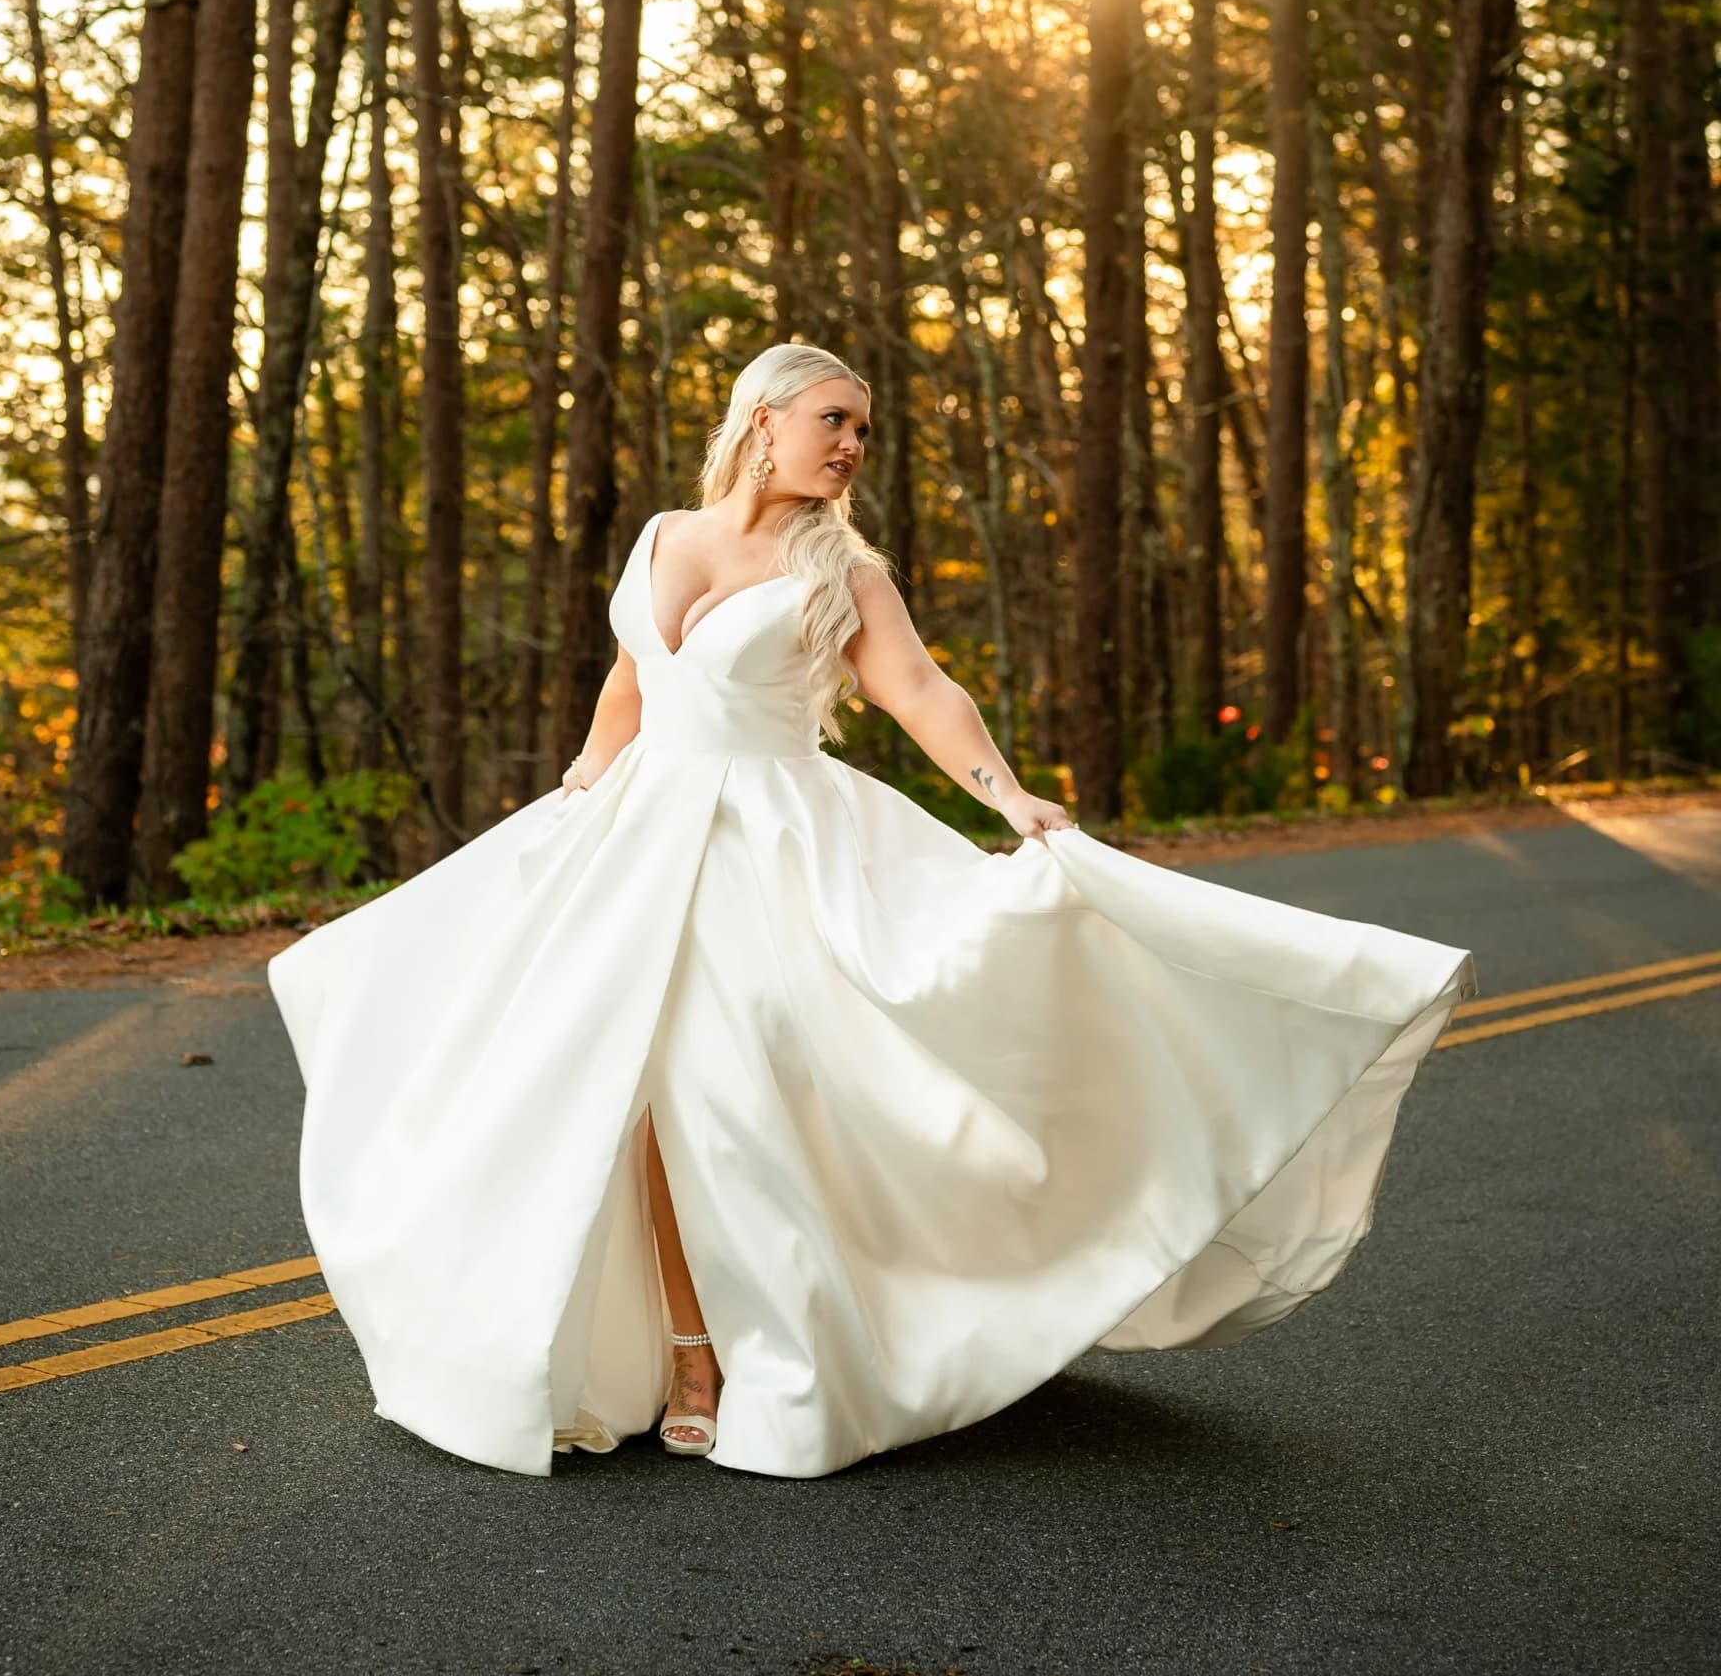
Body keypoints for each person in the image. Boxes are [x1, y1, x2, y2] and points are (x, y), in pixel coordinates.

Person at [271, 341, 1473, 1479]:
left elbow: (917, 689)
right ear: (763, 421)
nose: (852, 445)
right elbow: (632, 680)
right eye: (834, 421)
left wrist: (1006, 796)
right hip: (637, 835)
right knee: (604, 1089)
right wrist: (581, 786)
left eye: (862, 430)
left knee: (720, 1091)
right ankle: (682, 1346)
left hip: (766, 842)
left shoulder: (841, 572)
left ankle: (766, 1345)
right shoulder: (661, 537)